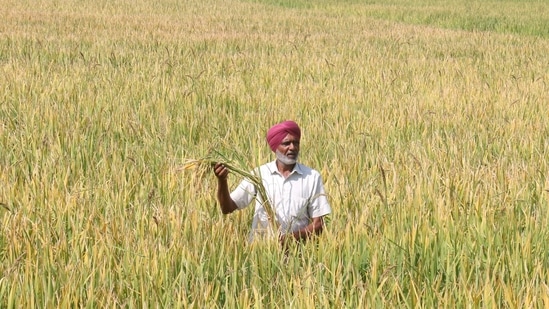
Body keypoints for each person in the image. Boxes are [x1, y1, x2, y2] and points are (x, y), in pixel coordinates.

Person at [213, 120, 332, 245]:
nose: (292, 147)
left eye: (296, 143)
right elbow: (227, 208)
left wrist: (293, 237)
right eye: (286, 143)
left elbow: (319, 224)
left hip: (299, 255)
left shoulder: (312, 177)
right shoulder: (259, 174)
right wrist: (222, 180)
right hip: (261, 253)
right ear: (275, 147)